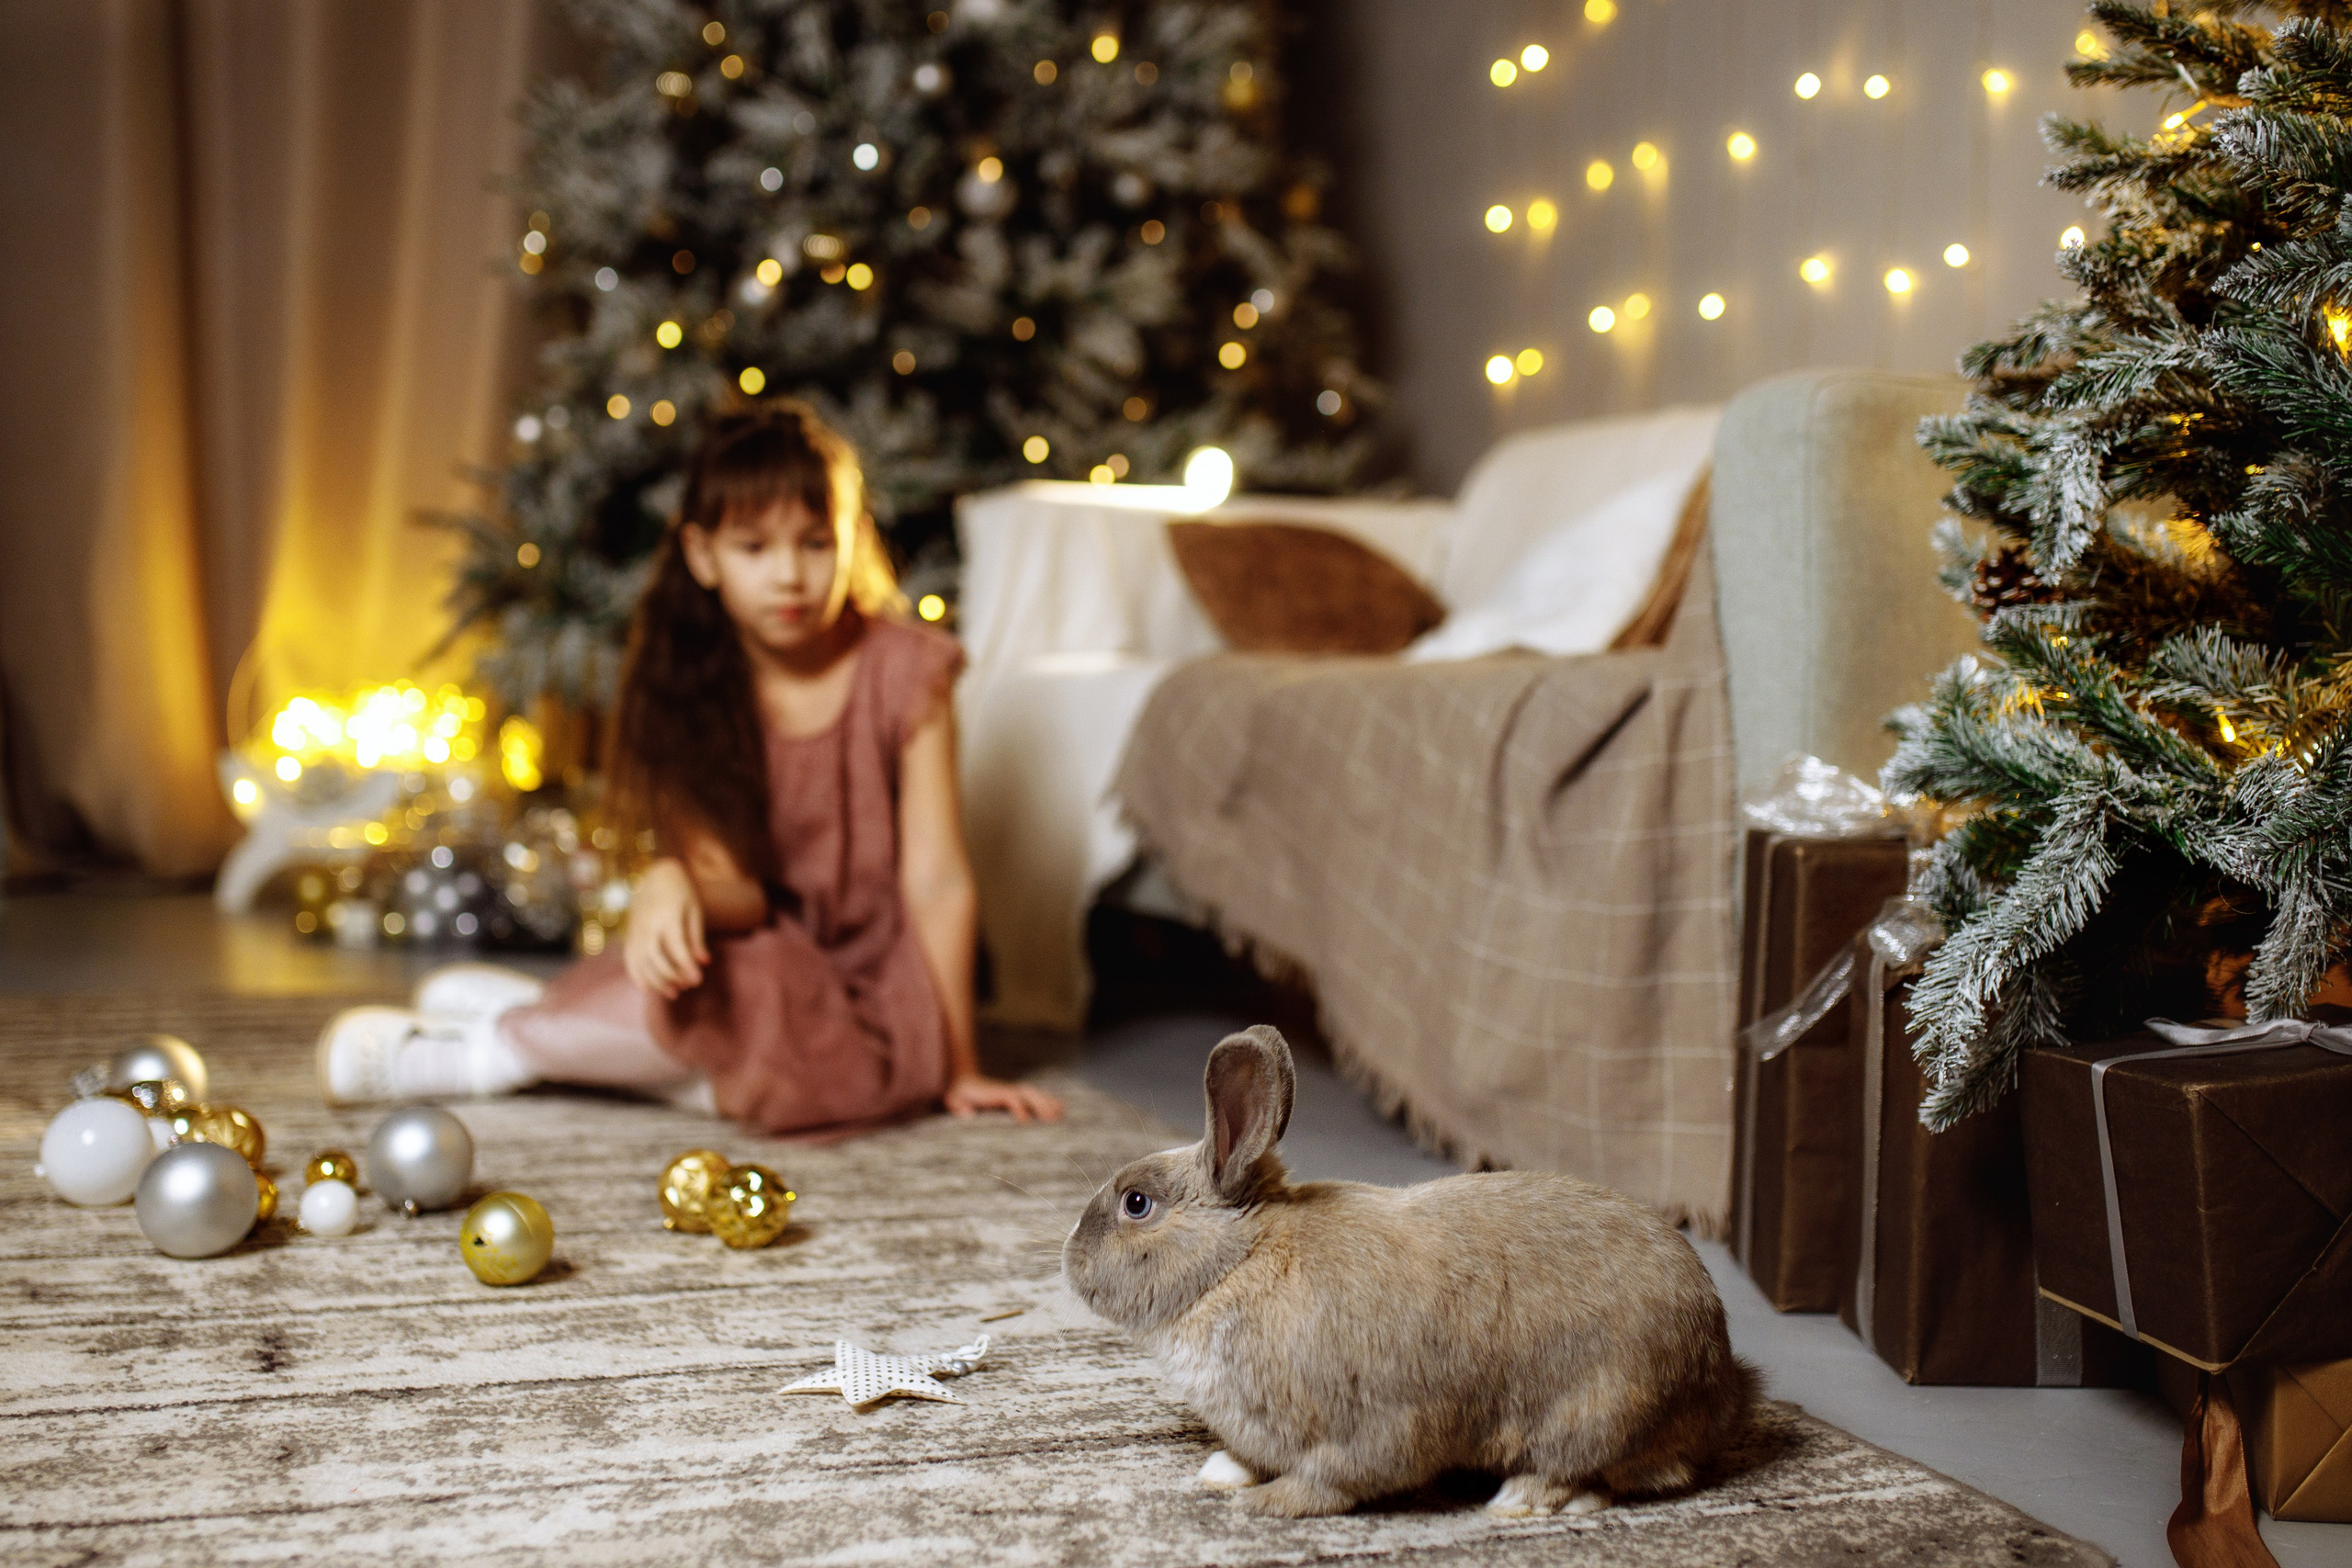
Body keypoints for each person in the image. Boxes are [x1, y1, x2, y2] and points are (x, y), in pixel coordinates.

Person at [317, 403, 1062, 1131]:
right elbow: (741, 897)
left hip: (871, 978)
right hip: (753, 946)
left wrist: (960, 1064)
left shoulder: (909, 669)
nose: (790, 575)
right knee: (715, 989)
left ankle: (504, 1046)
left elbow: (937, 878)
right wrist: (673, 877)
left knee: (805, 1057)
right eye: (754, 548)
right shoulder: (686, 681)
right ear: (703, 556)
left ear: (853, 539)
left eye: (815, 543)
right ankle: (547, 1028)